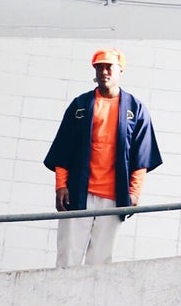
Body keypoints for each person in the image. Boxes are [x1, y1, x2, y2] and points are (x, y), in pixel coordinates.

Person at [43, 50, 162, 268]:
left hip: (113, 197)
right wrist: (61, 184)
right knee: (67, 257)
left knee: (100, 261)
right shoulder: (80, 105)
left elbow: (141, 156)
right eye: (99, 67)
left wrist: (134, 192)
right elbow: (64, 148)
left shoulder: (136, 110)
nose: (104, 72)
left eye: (109, 67)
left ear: (120, 71)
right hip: (78, 194)